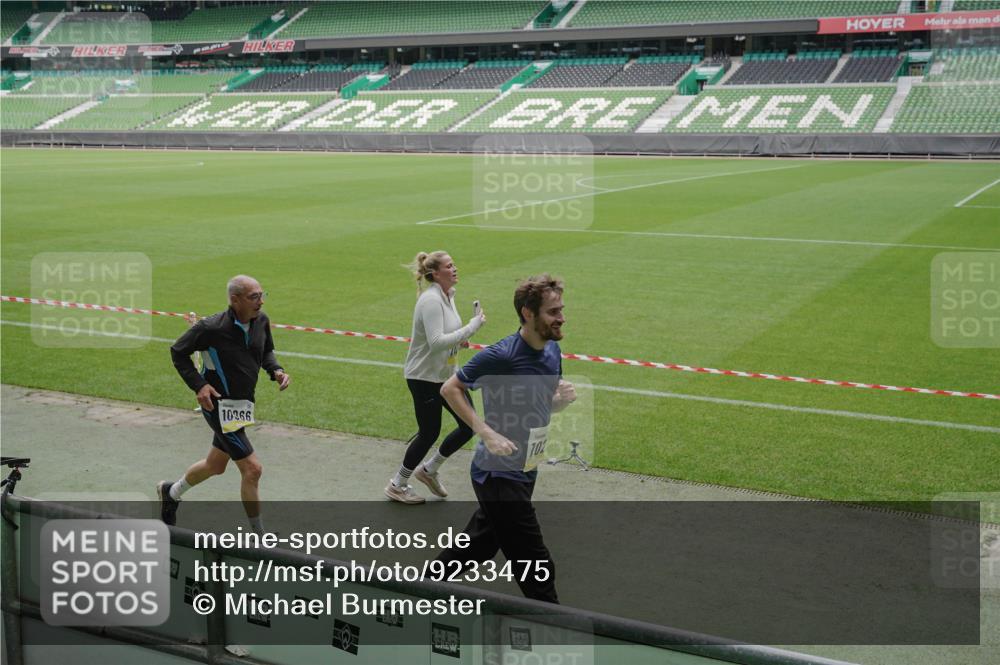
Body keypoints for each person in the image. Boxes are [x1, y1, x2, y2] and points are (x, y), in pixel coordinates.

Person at [434, 274, 576, 603]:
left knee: (481, 544)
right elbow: (450, 389)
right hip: (498, 474)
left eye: (561, 310)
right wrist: (486, 433)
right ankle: (552, 624)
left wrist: (560, 402)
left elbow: (542, 406)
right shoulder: (503, 355)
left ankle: (419, 587)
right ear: (528, 313)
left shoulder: (552, 351)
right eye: (553, 312)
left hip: (526, 466)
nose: (561, 318)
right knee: (535, 562)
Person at [157, 275, 290, 534]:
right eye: (254, 297)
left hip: (242, 405)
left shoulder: (261, 321)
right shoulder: (211, 328)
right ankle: (259, 537)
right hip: (218, 406)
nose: (261, 301)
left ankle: (171, 493)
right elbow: (178, 352)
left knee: (215, 466)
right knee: (252, 469)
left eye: (262, 295)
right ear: (235, 299)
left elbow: (265, 351)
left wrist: (276, 370)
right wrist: (199, 385)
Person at [386, 251, 486, 504]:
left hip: (446, 376)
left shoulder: (448, 295)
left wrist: (460, 341)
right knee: (429, 433)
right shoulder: (431, 300)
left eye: (454, 264)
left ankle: (429, 470)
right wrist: (472, 327)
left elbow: (446, 334)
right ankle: (397, 484)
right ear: (435, 273)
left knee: (470, 425)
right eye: (449, 266)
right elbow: (436, 342)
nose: (455, 269)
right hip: (424, 378)